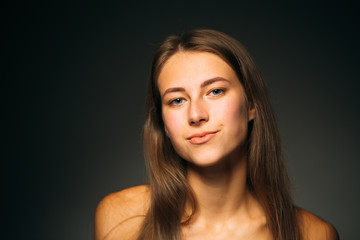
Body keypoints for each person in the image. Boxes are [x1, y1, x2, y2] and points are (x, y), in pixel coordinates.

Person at [94, 29, 339, 240]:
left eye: (215, 91)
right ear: (164, 125)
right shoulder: (122, 218)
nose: (196, 114)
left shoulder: (314, 234)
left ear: (251, 104)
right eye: (177, 100)